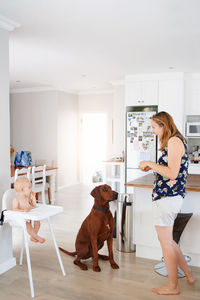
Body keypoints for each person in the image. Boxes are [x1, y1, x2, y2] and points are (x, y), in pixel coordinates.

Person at [138, 111, 195, 295]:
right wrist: (154, 166)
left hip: (167, 198)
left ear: (163, 125)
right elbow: (171, 170)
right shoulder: (178, 140)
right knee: (170, 242)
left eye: (154, 127)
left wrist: (150, 163)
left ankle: (173, 287)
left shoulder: (173, 141)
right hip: (170, 197)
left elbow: (172, 173)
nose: (153, 131)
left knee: (166, 244)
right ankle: (188, 275)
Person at [13, 177, 45, 243]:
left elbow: (33, 205)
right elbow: (15, 209)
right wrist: (23, 210)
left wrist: (33, 197)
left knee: (37, 222)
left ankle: (33, 236)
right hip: (21, 218)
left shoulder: (26, 198)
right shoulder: (16, 199)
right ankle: (37, 237)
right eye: (29, 187)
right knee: (28, 225)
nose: (31, 189)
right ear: (22, 189)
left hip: (28, 216)